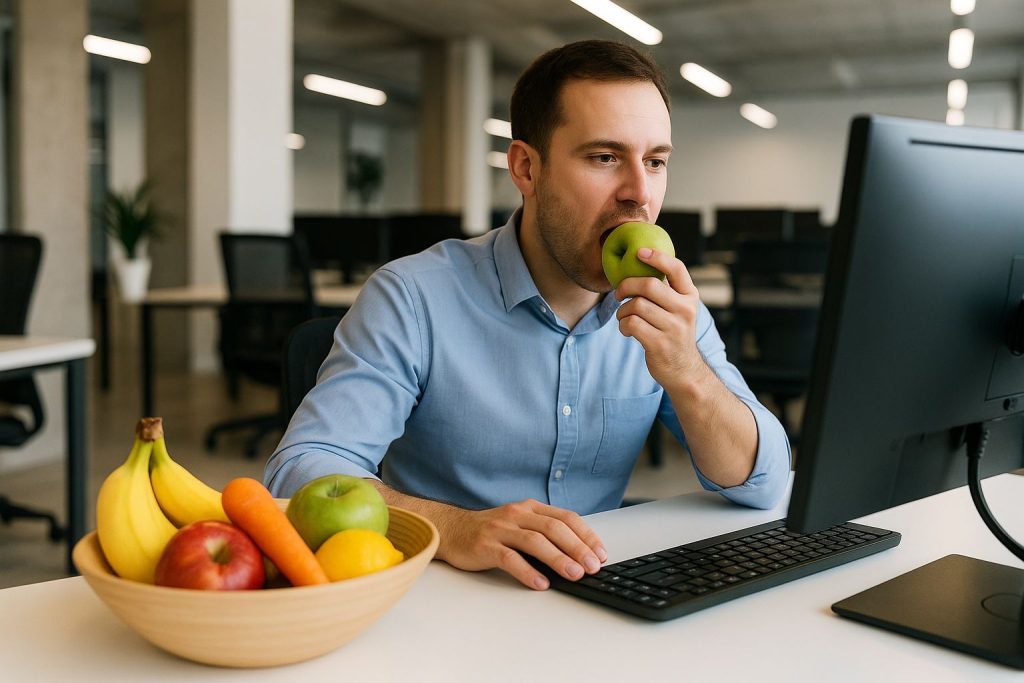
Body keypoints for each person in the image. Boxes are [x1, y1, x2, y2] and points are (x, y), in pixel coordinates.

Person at [265, 39, 790, 591]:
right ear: (525, 168)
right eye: (604, 157)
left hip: (597, 593)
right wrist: (454, 527)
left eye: (655, 162)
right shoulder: (413, 296)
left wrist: (690, 375)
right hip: (447, 601)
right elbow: (301, 470)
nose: (639, 194)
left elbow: (763, 481)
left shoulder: (668, 307)